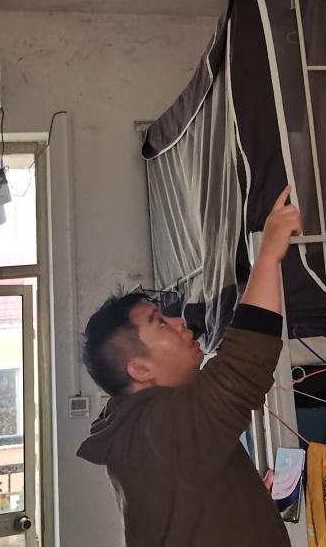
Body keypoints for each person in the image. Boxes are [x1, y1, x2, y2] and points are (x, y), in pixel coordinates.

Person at [77, 186, 303, 547]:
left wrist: (240, 499)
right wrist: (269, 253)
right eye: (159, 323)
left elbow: (188, 505)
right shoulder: (156, 431)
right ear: (140, 369)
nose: (180, 321)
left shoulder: (138, 431)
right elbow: (241, 369)